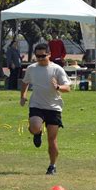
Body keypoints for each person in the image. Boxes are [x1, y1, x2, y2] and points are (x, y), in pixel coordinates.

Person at [20, 43, 71, 175]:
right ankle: (37, 133)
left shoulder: (57, 69)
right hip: (37, 104)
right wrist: (23, 96)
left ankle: (52, 165)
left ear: (49, 54)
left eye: (43, 56)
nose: (41, 58)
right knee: (35, 127)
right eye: (38, 56)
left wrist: (58, 87)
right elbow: (25, 82)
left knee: (52, 139)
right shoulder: (31, 68)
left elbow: (68, 88)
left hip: (54, 107)